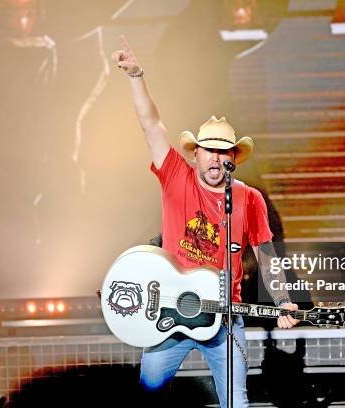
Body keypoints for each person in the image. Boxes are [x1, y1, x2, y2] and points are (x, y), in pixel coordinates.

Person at [112, 35, 298, 408]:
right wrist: (136, 76)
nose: (215, 159)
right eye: (208, 151)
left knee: (236, 402)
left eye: (222, 152)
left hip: (225, 318)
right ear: (195, 154)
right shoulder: (175, 177)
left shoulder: (249, 199)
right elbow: (151, 125)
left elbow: (267, 257)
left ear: (234, 158)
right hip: (169, 314)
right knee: (148, 393)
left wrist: (282, 300)